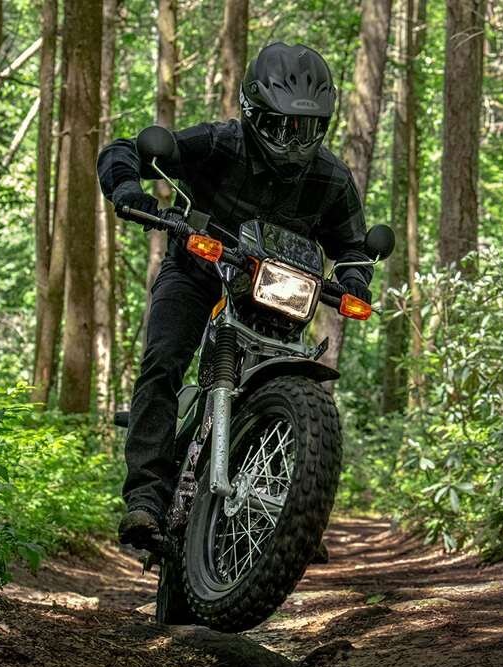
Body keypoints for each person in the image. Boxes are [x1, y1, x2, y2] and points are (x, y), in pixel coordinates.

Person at [96, 42, 373, 555]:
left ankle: (292, 511)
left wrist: (355, 278)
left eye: (306, 129)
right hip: (198, 270)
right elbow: (125, 149)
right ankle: (146, 497)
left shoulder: (332, 179)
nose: (292, 141)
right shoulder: (220, 143)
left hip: (275, 295)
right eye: (280, 125)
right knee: (163, 361)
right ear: (252, 112)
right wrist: (128, 190)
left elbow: (353, 246)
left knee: (296, 383)